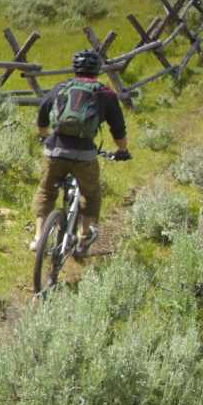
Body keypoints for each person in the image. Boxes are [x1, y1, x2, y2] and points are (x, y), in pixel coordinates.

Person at [31, 48, 129, 257]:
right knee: (90, 194)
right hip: (84, 154)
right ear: (98, 70)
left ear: (74, 68)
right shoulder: (105, 93)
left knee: (46, 191)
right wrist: (122, 150)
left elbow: (42, 112)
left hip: (54, 150)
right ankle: (83, 238)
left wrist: (43, 135)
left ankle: (39, 237)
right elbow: (118, 128)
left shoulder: (61, 87)